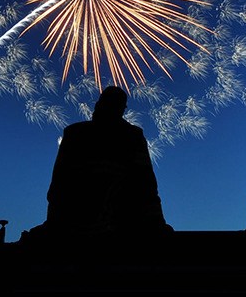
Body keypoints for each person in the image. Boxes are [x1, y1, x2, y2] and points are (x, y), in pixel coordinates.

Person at [19, 86, 172, 253]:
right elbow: (146, 186)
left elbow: (58, 186)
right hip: (105, 224)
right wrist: (156, 223)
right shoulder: (130, 136)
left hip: (93, 224)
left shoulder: (77, 134)